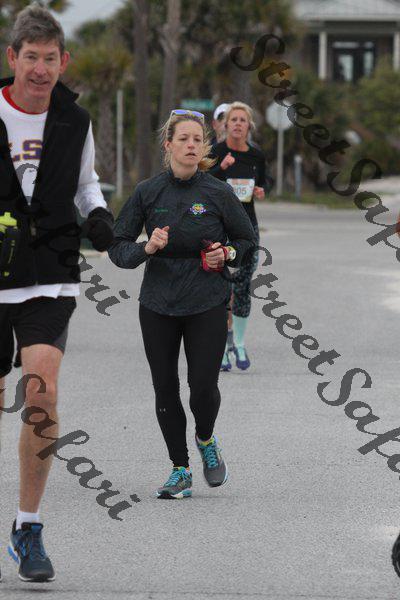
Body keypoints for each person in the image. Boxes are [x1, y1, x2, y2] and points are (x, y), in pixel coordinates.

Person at [0, 6, 114, 583]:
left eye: (50, 58)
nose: (40, 69)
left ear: (63, 61)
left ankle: (28, 527)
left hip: (50, 273)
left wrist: (99, 217)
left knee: (41, 393)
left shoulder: (75, 119)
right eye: (31, 57)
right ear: (12, 57)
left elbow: (87, 184)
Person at [108, 109, 255, 500]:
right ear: (168, 144)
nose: (191, 145)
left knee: (202, 387)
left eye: (198, 140)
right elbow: (118, 247)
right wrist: (146, 248)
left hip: (207, 299)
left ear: (204, 147)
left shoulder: (218, 193)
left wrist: (227, 253)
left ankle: (206, 439)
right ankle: (180, 469)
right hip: (158, 303)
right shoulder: (147, 192)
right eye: (184, 139)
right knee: (165, 388)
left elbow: (247, 240)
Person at [209, 101, 273, 371]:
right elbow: (203, 181)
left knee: (243, 284)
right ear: (225, 125)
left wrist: (261, 190)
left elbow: (265, 182)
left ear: (249, 126)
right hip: (220, 227)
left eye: (242, 120)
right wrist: (221, 168)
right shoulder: (216, 152)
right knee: (221, 286)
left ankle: (240, 343)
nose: (237, 124)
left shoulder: (256, 155)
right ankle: (221, 347)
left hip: (247, 227)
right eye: (233, 120)